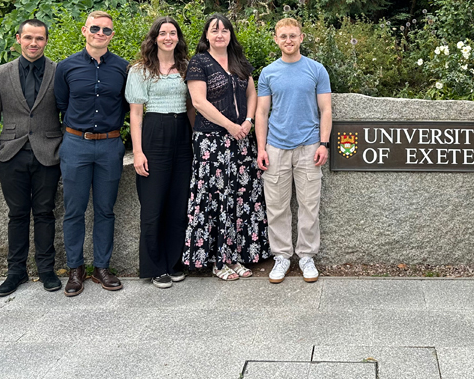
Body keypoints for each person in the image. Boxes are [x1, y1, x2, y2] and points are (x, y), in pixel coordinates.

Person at [0, 19, 63, 297]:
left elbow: (69, 112)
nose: (33, 43)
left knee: (44, 212)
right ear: (18, 39)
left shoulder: (58, 71)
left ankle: (46, 269)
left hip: (48, 153)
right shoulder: (2, 73)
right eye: (28, 37)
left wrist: (61, 148)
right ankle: (15, 271)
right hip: (11, 155)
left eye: (39, 38)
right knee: (16, 214)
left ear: (46, 41)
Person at [183, 14, 269, 280]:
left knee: (240, 198)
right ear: (206, 36)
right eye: (214, 30)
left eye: (224, 30)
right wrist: (230, 126)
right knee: (217, 199)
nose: (220, 34)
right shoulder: (199, 63)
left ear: (231, 35)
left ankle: (238, 257)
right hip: (212, 141)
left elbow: (251, 94)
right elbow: (198, 102)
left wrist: (247, 121)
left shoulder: (239, 62)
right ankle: (219, 261)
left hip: (242, 140)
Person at [54, 10, 128, 296]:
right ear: (84, 31)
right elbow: (61, 103)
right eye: (95, 28)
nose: (100, 33)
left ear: (112, 35)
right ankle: (75, 269)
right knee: (74, 209)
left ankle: (101, 267)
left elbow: (125, 105)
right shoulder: (66, 67)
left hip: (109, 145)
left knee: (105, 209)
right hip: (76, 144)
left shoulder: (122, 68)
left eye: (106, 30)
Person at [256, 18, 332, 284]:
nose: (288, 40)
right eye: (283, 36)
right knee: (276, 207)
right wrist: (261, 149)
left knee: (309, 205)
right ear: (276, 40)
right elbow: (262, 112)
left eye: (293, 36)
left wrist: (324, 143)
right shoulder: (268, 73)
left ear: (301, 38)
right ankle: (281, 257)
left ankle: (307, 257)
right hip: (276, 148)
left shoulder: (316, 70)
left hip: (309, 147)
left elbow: (326, 109)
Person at [126, 17, 194, 289]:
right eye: (163, 33)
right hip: (154, 133)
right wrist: (138, 152)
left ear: (178, 38)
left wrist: (193, 141)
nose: (168, 37)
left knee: (179, 205)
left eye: (173, 33)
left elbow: (191, 107)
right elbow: (135, 113)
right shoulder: (140, 71)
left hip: (182, 136)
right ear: (154, 38)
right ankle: (155, 267)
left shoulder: (187, 68)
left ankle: (174, 262)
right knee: (153, 206)